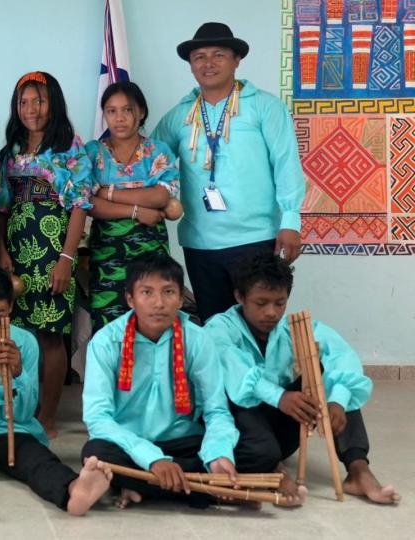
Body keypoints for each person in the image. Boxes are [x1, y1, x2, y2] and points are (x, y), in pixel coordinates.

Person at [205, 252, 401, 505]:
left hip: (288, 424)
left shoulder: (292, 327)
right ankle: (273, 469)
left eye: (280, 302)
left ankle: (358, 470)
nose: (271, 313)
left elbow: (342, 357)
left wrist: (337, 401)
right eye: (261, 303)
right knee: (237, 397)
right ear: (239, 296)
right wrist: (280, 396)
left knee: (332, 379)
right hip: (247, 433)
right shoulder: (218, 329)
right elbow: (236, 374)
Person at [0, 264, 113, 517]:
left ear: (11, 308)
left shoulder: (24, 342)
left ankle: (74, 490)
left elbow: (26, 413)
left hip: (9, 428)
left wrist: (17, 372)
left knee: (36, 459)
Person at [153, 22, 306, 322]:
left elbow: (286, 163)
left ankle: (263, 372)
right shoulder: (178, 116)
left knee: (260, 324)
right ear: (191, 65)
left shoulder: (265, 107)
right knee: (216, 326)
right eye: (199, 57)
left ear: (236, 60)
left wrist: (291, 221)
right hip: (200, 243)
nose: (208, 63)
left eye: (218, 55)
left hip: (257, 239)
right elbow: (150, 160)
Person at [81, 253, 240, 509]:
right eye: (147, 292)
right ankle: (205, 489)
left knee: (250, 452)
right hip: (128, 444)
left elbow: (216, 409)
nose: (159, 303)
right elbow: (97, 417)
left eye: (168, 292)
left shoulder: (197, 339)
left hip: (183, 442)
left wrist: (217, 456)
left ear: (180, 298)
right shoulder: (106, 341)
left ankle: (137, 485)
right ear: (130, 299)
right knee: (95, 453)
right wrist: (152, 459)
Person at [0, 71, 94, 437]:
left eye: (39, 100)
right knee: (17, 335)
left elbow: (80, 206)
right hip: (16, 255)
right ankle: (18, 412)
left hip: (53, 252)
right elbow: (2, 210)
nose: (31, 109)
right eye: (24, 102)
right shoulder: (12, 151)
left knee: (51, 335)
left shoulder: (70, 148)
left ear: (54, 103)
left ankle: (48, 415)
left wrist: (66, 260)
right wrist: (1, 251)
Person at [85, 81, 179, 331]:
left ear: (141, 112)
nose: (119, 118)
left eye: (127, 110)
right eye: (111, 111)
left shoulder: (157, 151)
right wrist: (137, 210)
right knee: (109, 328)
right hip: (107, 253)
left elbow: (161, 197)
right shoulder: (93, 153)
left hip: (149, 248)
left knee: (153, 322)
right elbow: (88, 203)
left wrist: (109, 192)